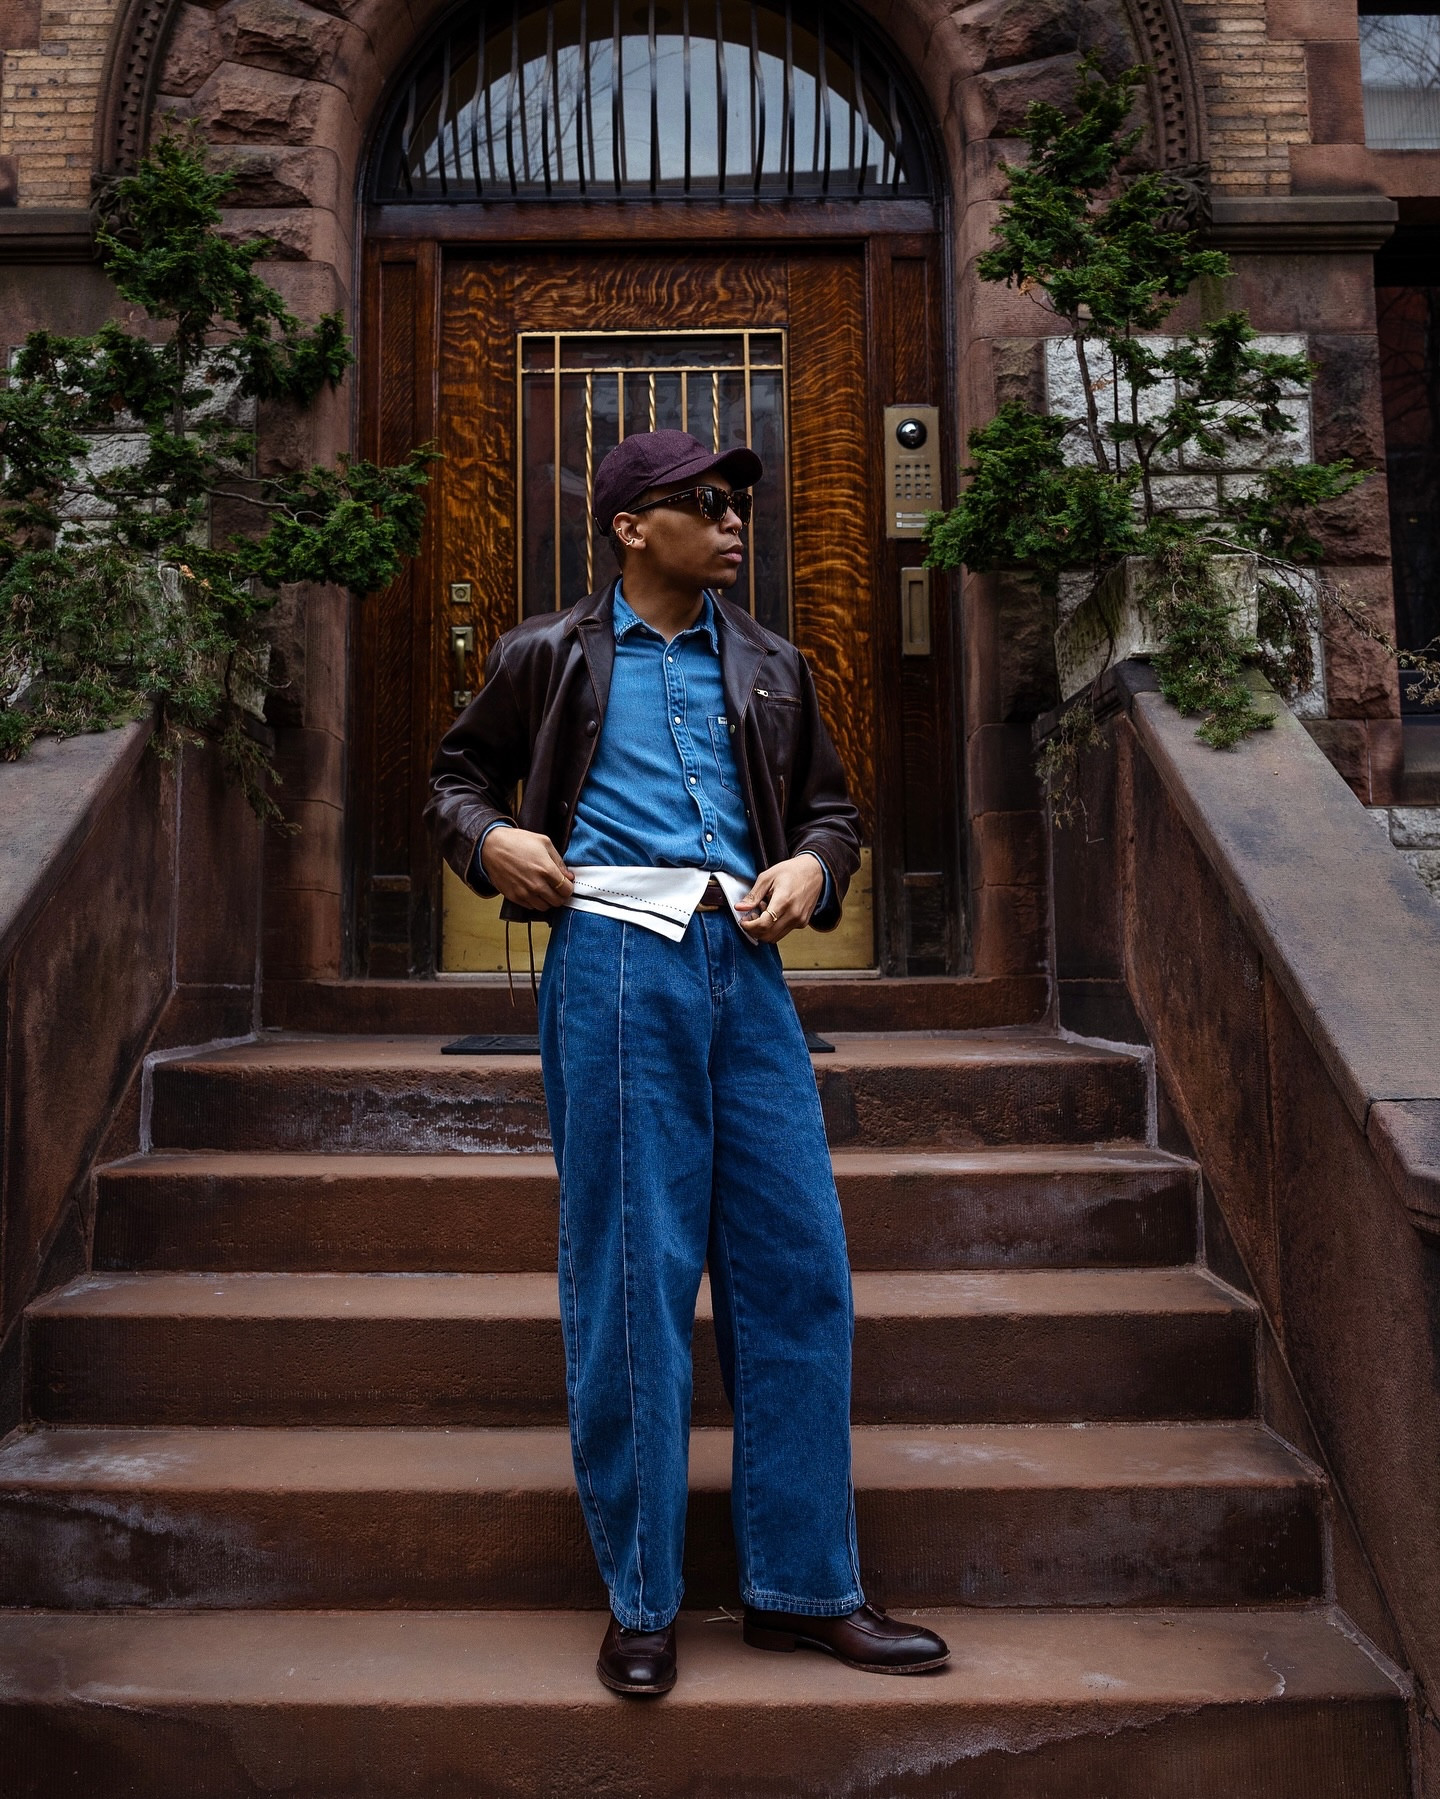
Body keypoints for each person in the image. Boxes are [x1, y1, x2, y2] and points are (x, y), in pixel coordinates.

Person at [428, 428, 949, 1696]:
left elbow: (831, 811)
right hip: (614, 958)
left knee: (799, 1269)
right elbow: (455, 780)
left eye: (736, 503)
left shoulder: (771, 662)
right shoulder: (545, 654)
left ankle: (806, 1587)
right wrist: (492, 839)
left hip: (750, 971)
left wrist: (816, 864)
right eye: (705, 502)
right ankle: (644, 1596)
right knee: (634, 1272)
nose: (732, 521)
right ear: (629, 526)